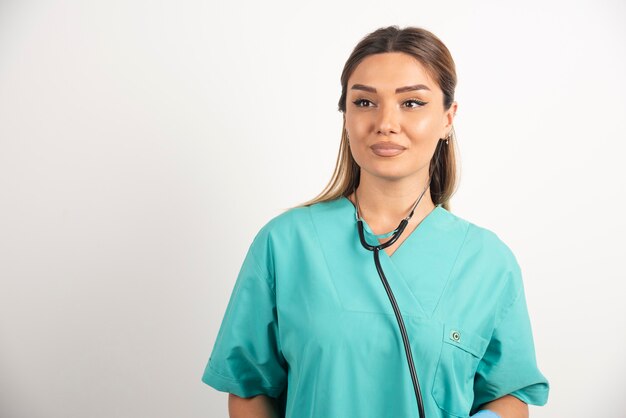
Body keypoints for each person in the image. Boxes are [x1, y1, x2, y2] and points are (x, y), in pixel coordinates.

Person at [201, 25, 549, 418]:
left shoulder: (488, 262)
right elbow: (249, 389)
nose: (385, 122)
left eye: (412, 103)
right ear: (346, 116)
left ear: (448, 118)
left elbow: (508, 395)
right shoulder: (285, 244)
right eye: (365, 102)